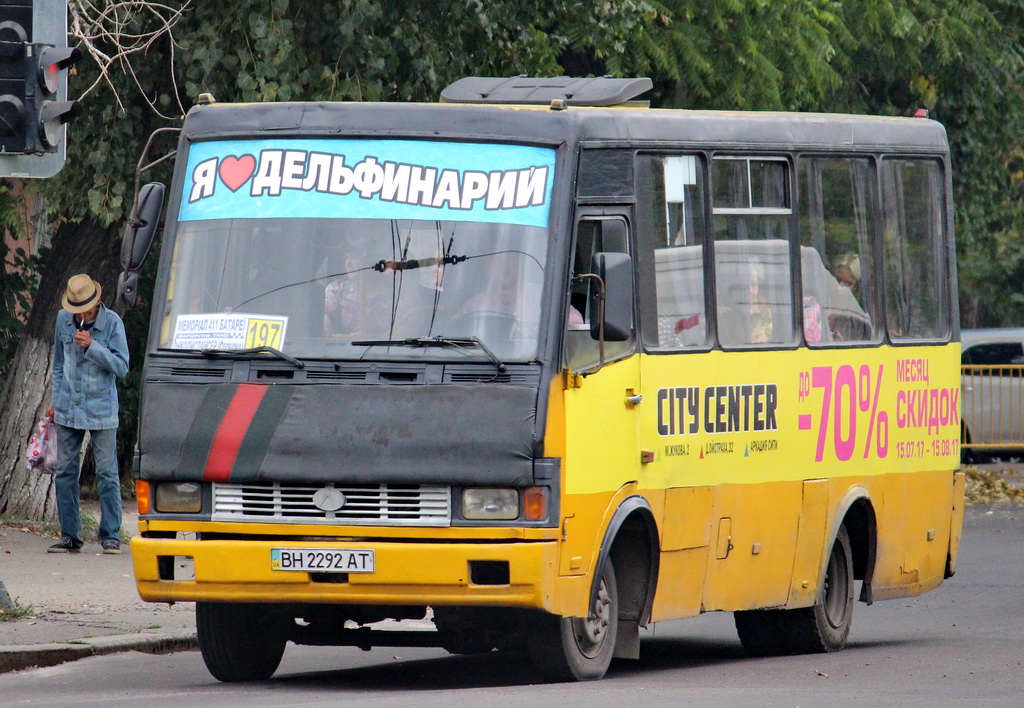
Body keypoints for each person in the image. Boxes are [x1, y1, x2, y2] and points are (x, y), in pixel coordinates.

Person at [46, 274, 129, 554]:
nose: (80, 314)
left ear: (95, 304)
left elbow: (122, 366)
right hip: (69, 406)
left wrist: (92, 346)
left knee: (107, 473)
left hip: (102, 407)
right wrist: (56, 401)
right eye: (75, 309)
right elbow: (58, 364)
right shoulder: (62, 320)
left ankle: (111, 535)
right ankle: (70, 535)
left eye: (84, 308)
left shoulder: (112, 323)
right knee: (66, 472)